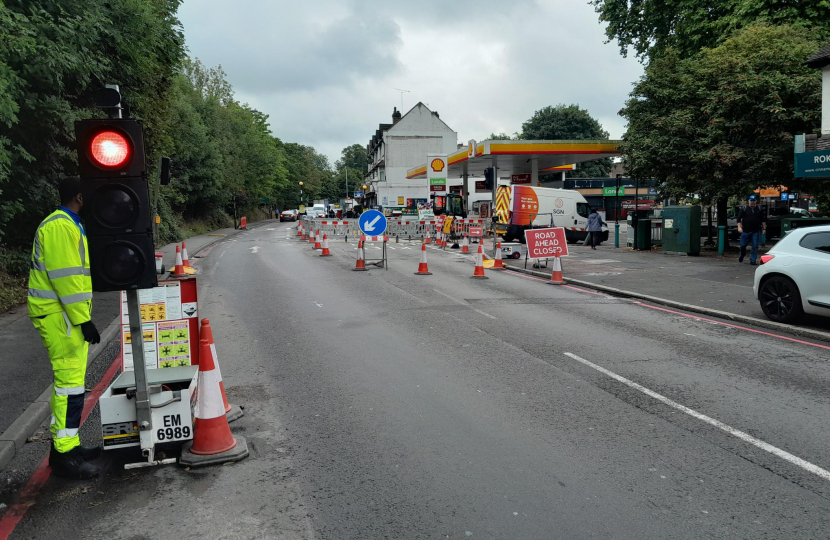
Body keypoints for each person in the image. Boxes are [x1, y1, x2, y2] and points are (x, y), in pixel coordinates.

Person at [28, 177, 101, 479]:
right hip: (61, 317)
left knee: (71, 385)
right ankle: (65, 455)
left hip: (65, 316)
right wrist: (83, 320)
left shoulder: (69, 224)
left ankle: (67, 447)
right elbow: (66, 280)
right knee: (69, 386)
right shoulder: (60, 226)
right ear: (80, 197)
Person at [737, 195, 767, 265]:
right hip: (745, 231)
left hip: (755, 231)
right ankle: (742, 254)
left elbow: (763, 220)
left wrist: (764, 228)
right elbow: (739, 219)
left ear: (756, 201)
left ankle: (753, 260)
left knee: (755, 246)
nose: (752, 202)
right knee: (742, 245)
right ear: (748, 201)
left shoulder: (759, 209)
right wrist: (739, 227)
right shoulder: (744, 208)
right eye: (751, 201)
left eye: (754, 201)